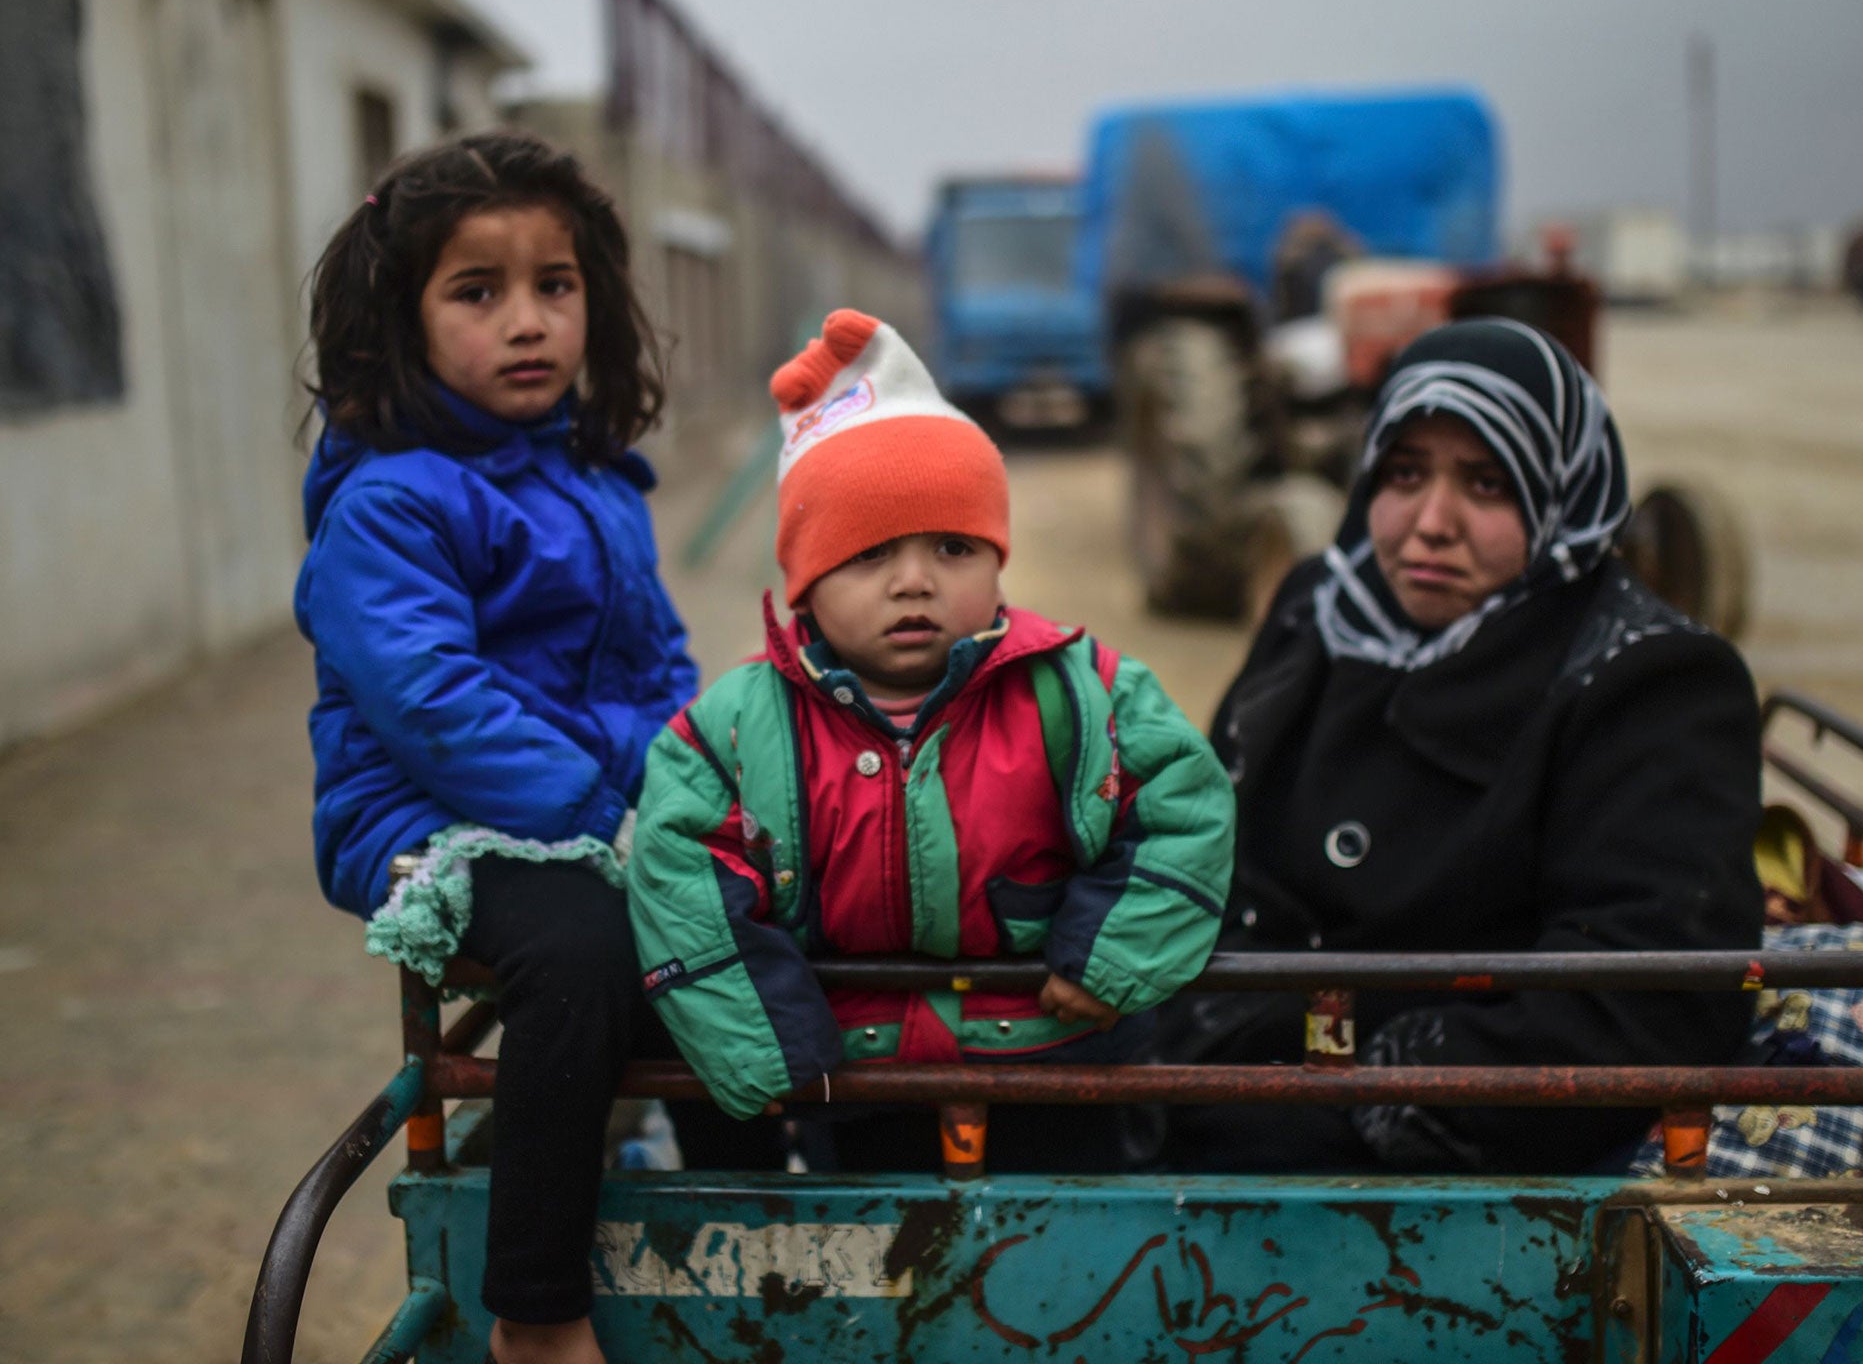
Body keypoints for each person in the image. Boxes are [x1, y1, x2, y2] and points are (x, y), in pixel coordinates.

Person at [628, 309, 1233, 1166]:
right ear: (804, 584)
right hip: (853, 1081)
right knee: (879, 1276)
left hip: (1056, 1061)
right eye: (870, 554)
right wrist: (763, 1044)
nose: (914, 582)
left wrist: (1114, 960)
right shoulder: (729, 734)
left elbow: (1187, 807)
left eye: (952, 546)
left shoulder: (1084, 693)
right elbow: (676, 874)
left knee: (1070, 1275)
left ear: (997, 561)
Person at [1171, 316, 1764, 1175]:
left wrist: (1348, 1099)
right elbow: (1208, 837)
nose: (1432, 523)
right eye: (1404, 473)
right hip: (1218, 1059)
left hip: (1419, 1148)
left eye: (1487, 485)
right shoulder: (1317, 609)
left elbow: (1641, 1007)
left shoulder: (1649, 682)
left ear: (1561, 496)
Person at [295, 131, 697, 1364]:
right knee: (579, 952)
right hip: (427, 822)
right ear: (399, 322)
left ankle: (757, 1192)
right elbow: (433, 703)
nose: (527, 322)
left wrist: (700, 790)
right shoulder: (392, 503)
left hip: (585, 809)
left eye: (554, 286)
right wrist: (605, 817)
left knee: (749, 901)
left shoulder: (596, 483)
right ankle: (537, 1310)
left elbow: (659, 672)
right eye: (478, 292)